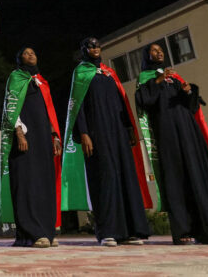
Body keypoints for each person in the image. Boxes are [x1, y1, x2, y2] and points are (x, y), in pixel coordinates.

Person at [135, 43, 208, 245]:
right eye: (154, 50)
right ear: (147, 56)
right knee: (176, 178)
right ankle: (183, 231)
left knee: (199, 175)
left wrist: (189, 91)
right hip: (168, 135)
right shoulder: (145, 78)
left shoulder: (175, 77)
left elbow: (193, 105)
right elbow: (144, 101)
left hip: (189, 133)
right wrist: (159, 80)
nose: (159, 52)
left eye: (161, 49)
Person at [61, 37, 152, 247]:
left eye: (97, 45)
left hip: (119, 132)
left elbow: (122, 100)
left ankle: (130, 231)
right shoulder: (81, 73)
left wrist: (129, 126)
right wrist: (83, 132)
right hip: (97, 133)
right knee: (105, 178)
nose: (95, 48)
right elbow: (77, 105)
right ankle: (107, 231)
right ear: (84, 50)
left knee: (125, 176)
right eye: (90, 46)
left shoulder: (110, 72)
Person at [0, 47, 62, 248]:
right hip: (24, 138)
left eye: (33, 52)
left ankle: (46, 231)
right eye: (26, 53)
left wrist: (55, 136)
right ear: (19, 59)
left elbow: (49, 111)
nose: (31, 54)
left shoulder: (42, 82)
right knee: (27, 184)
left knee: (44, 183)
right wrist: (18, 132)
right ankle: (31, 233)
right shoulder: (15, 78)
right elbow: (10, 105)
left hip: (43, 138)